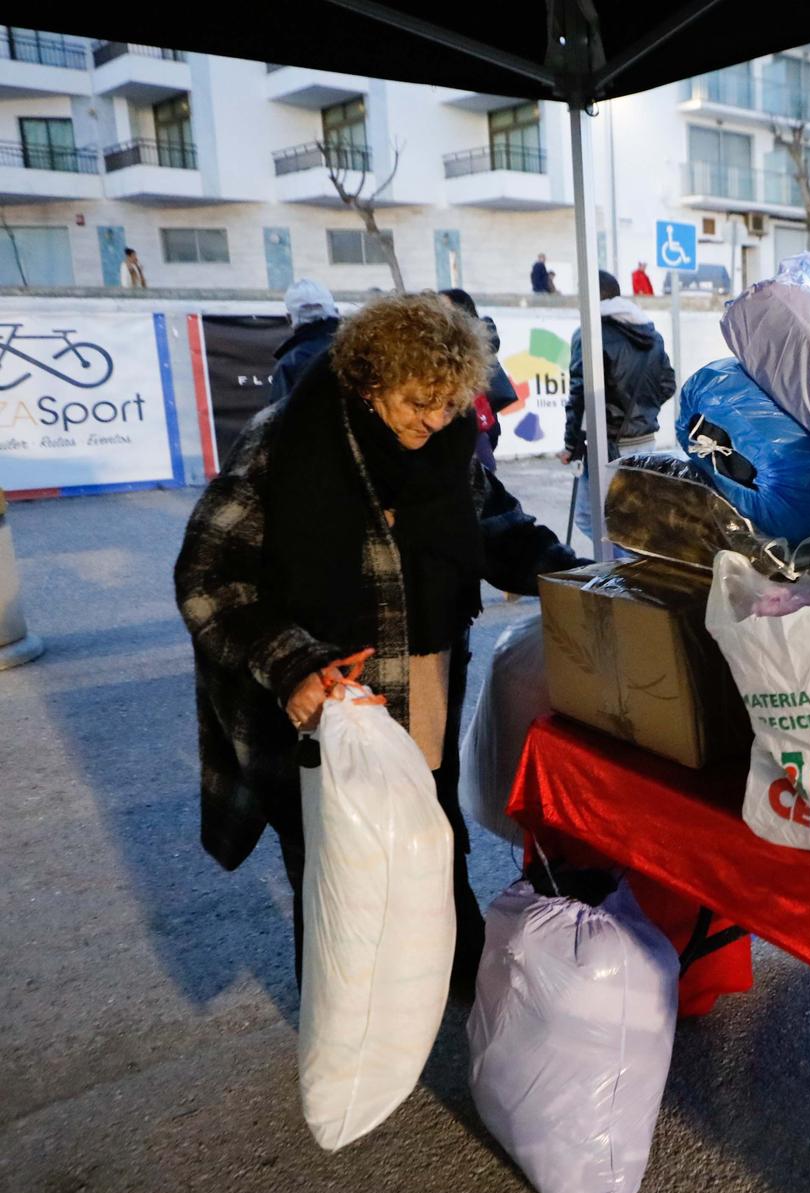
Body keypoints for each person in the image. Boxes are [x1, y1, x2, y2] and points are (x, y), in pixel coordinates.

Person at [174, 294, 580, 996]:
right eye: (419, 401)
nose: (435, 419)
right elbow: (208, 574)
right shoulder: (286, 439)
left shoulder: (448, 443)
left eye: (451, 404)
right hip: (329, 701)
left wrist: (582, 580)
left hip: (426, 681)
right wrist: (291, 662)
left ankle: (452, 975)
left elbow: (498, 527)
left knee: (430, 827)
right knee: (339, 864)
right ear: (369, 381)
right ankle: (350, 1007)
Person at [564, 269, 677, 538]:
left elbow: (580, 393)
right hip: (645, 439)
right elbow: (667, 384)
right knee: (631, 518)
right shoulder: (650, 333)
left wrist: (570, 444)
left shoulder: (590, 333)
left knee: (590, 517)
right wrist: (641, 412)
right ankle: (630, 569)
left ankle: (624, 571)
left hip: (608, 443)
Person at [440, 287, 519, 470]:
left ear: (461, 308)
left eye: (444, 305)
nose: (439, 311)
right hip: (456, 419)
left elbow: (490, 344)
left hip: (479, 418)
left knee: (484, 472)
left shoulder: (480, 329)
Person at [268, 278, 341, 403]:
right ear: (336, 312)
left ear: (289, 319)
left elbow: (281, 418)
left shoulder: (290, 364)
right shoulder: (359, 351)